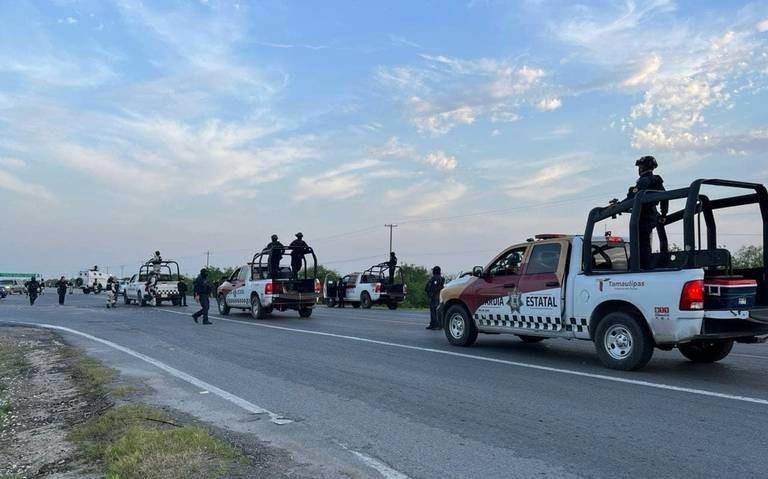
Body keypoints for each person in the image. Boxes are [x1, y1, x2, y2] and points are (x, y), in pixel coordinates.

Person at [625, 155, 668, 269]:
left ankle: (639, 266)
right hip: (651, 215)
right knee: (644, 243)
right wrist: (664, 214)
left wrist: (618, 206)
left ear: (644, 167)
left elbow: (633, 197)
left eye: (640, 166)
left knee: (640, 243)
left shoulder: (644, 181)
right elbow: (665, 197)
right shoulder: (657, 180)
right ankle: (644, 264)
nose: (639, 168)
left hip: (643, 215)